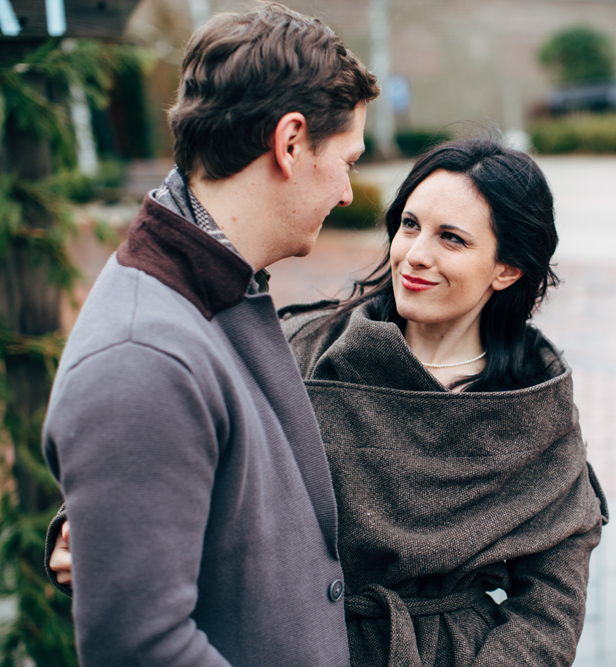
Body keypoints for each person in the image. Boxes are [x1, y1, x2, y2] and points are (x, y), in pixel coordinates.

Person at [51, 137, 608, 666]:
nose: (414, 254)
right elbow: (183, 437)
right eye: (409, 226)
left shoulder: (534, 401)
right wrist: (84, 528)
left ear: (507, 268)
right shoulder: (308, 350)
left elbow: (552, 597)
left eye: (451, 238)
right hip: (298, 640)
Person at [41, 3, 379, 665]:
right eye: (347, 160)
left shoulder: (214, 281)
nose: (346, 192)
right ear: (289, 142)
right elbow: (141, 647)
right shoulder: (143, 355)